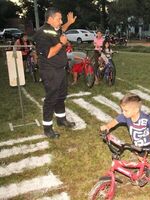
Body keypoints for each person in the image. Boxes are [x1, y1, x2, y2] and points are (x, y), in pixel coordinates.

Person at [33, 7, 77, 139]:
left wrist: (69, 23)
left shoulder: (54, 29)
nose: (61, 21)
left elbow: (61, 29)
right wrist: (61, 43)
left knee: (61, 96)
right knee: (51, 98)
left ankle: (61, 120)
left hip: (60, 70)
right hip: (50, 71)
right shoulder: (41, 33)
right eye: (59, 18)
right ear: (50, 19)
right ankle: (47, 128)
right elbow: (49, 53)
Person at [100, 93, 150, 161]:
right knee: (140, 157)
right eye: (122, 110)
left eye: (126, 110)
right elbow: (115, 121)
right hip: (137, 144)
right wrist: (107, 126)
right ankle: (145, 166)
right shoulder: (125, 117)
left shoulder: (146, 119)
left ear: (136, 110)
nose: (123, 113)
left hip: (147, 143)